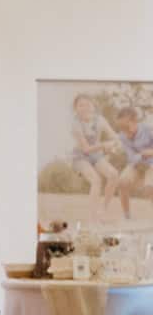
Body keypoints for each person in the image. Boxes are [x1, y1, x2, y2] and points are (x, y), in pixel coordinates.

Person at [64, 93, 120, 221]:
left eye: (87, 104)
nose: (85, 108)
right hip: (80, 157)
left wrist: (114, 146)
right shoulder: (75, 125)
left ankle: (103, 210)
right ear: (75, 108)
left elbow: (114, 136)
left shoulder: (100, 120)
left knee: (114, 175)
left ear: (93, 106)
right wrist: (104, 145)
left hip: (96, 155)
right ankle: (93, 217)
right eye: (81, 105)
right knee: (96, 180)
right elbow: (86, 149)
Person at [108, 104, 153, 219]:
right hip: (136, 164)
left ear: (134, 121)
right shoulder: (123, 136)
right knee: (122, 182)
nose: (124, 131)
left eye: (126, 126)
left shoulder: (148, 130)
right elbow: (131, 157)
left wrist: (148, 153)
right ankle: (127, 216)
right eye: (121, 128)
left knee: (149, 188)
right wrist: (142, 155)